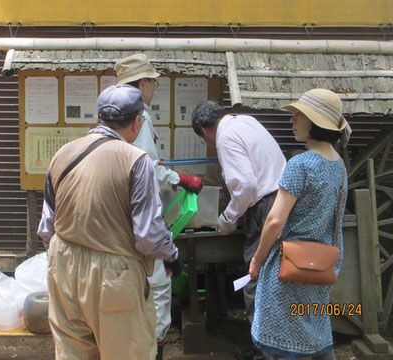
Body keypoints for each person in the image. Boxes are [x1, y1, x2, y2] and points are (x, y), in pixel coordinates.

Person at [38, 84, 181, 360]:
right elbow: (148, 235)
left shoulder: (63, 153)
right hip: (114, 274)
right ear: (137, 123)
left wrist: (64, 259)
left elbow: (47, 226)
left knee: (73, 353)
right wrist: (172, 255)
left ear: (97, 118)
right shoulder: (137, 161)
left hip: (62, 263)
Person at [249, 88, 351, 359]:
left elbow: (274, 220)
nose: (292, 119)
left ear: (315, 121)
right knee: (313, 335)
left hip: (288, 270)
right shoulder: (339, 166)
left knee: (280, 344)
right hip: (320, 271)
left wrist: (257, 260)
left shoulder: (301, 164)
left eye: (298, 114)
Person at [115, 53, 202, 360]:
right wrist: (181, 179)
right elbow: (148, 168)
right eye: (153, 81)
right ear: (142, 83)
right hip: (141, 214)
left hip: (117, 216)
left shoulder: (113, 116)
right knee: (158, 286)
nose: (155, 87)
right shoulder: (140, 114)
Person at [191, 101, 286, 360]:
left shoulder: (225, 137)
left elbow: (245, 185)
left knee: (257, 280)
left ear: (204, 130)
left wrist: (227, 219)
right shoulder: (246, 122)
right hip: (281, 200)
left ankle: (266, 354)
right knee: (274, 279)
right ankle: (268, 348)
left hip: (264, 207)